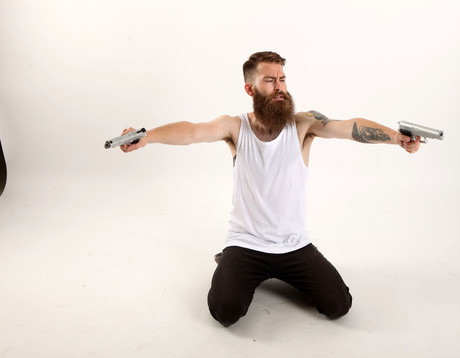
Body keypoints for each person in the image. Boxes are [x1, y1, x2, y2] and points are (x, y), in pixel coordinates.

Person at [120, 51, 421, 327]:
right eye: (269, 80)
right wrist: (147, 137)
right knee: (225, 313)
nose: (279, 87)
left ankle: (273, 271)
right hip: (246, 244)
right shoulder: (234, 127)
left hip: (294, 246)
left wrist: (396, 137)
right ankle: (228, 260)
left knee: (339, 306)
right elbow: (192, 131)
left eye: (282, 79)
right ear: (250, 89)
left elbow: (348, 127)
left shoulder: (303, 124)